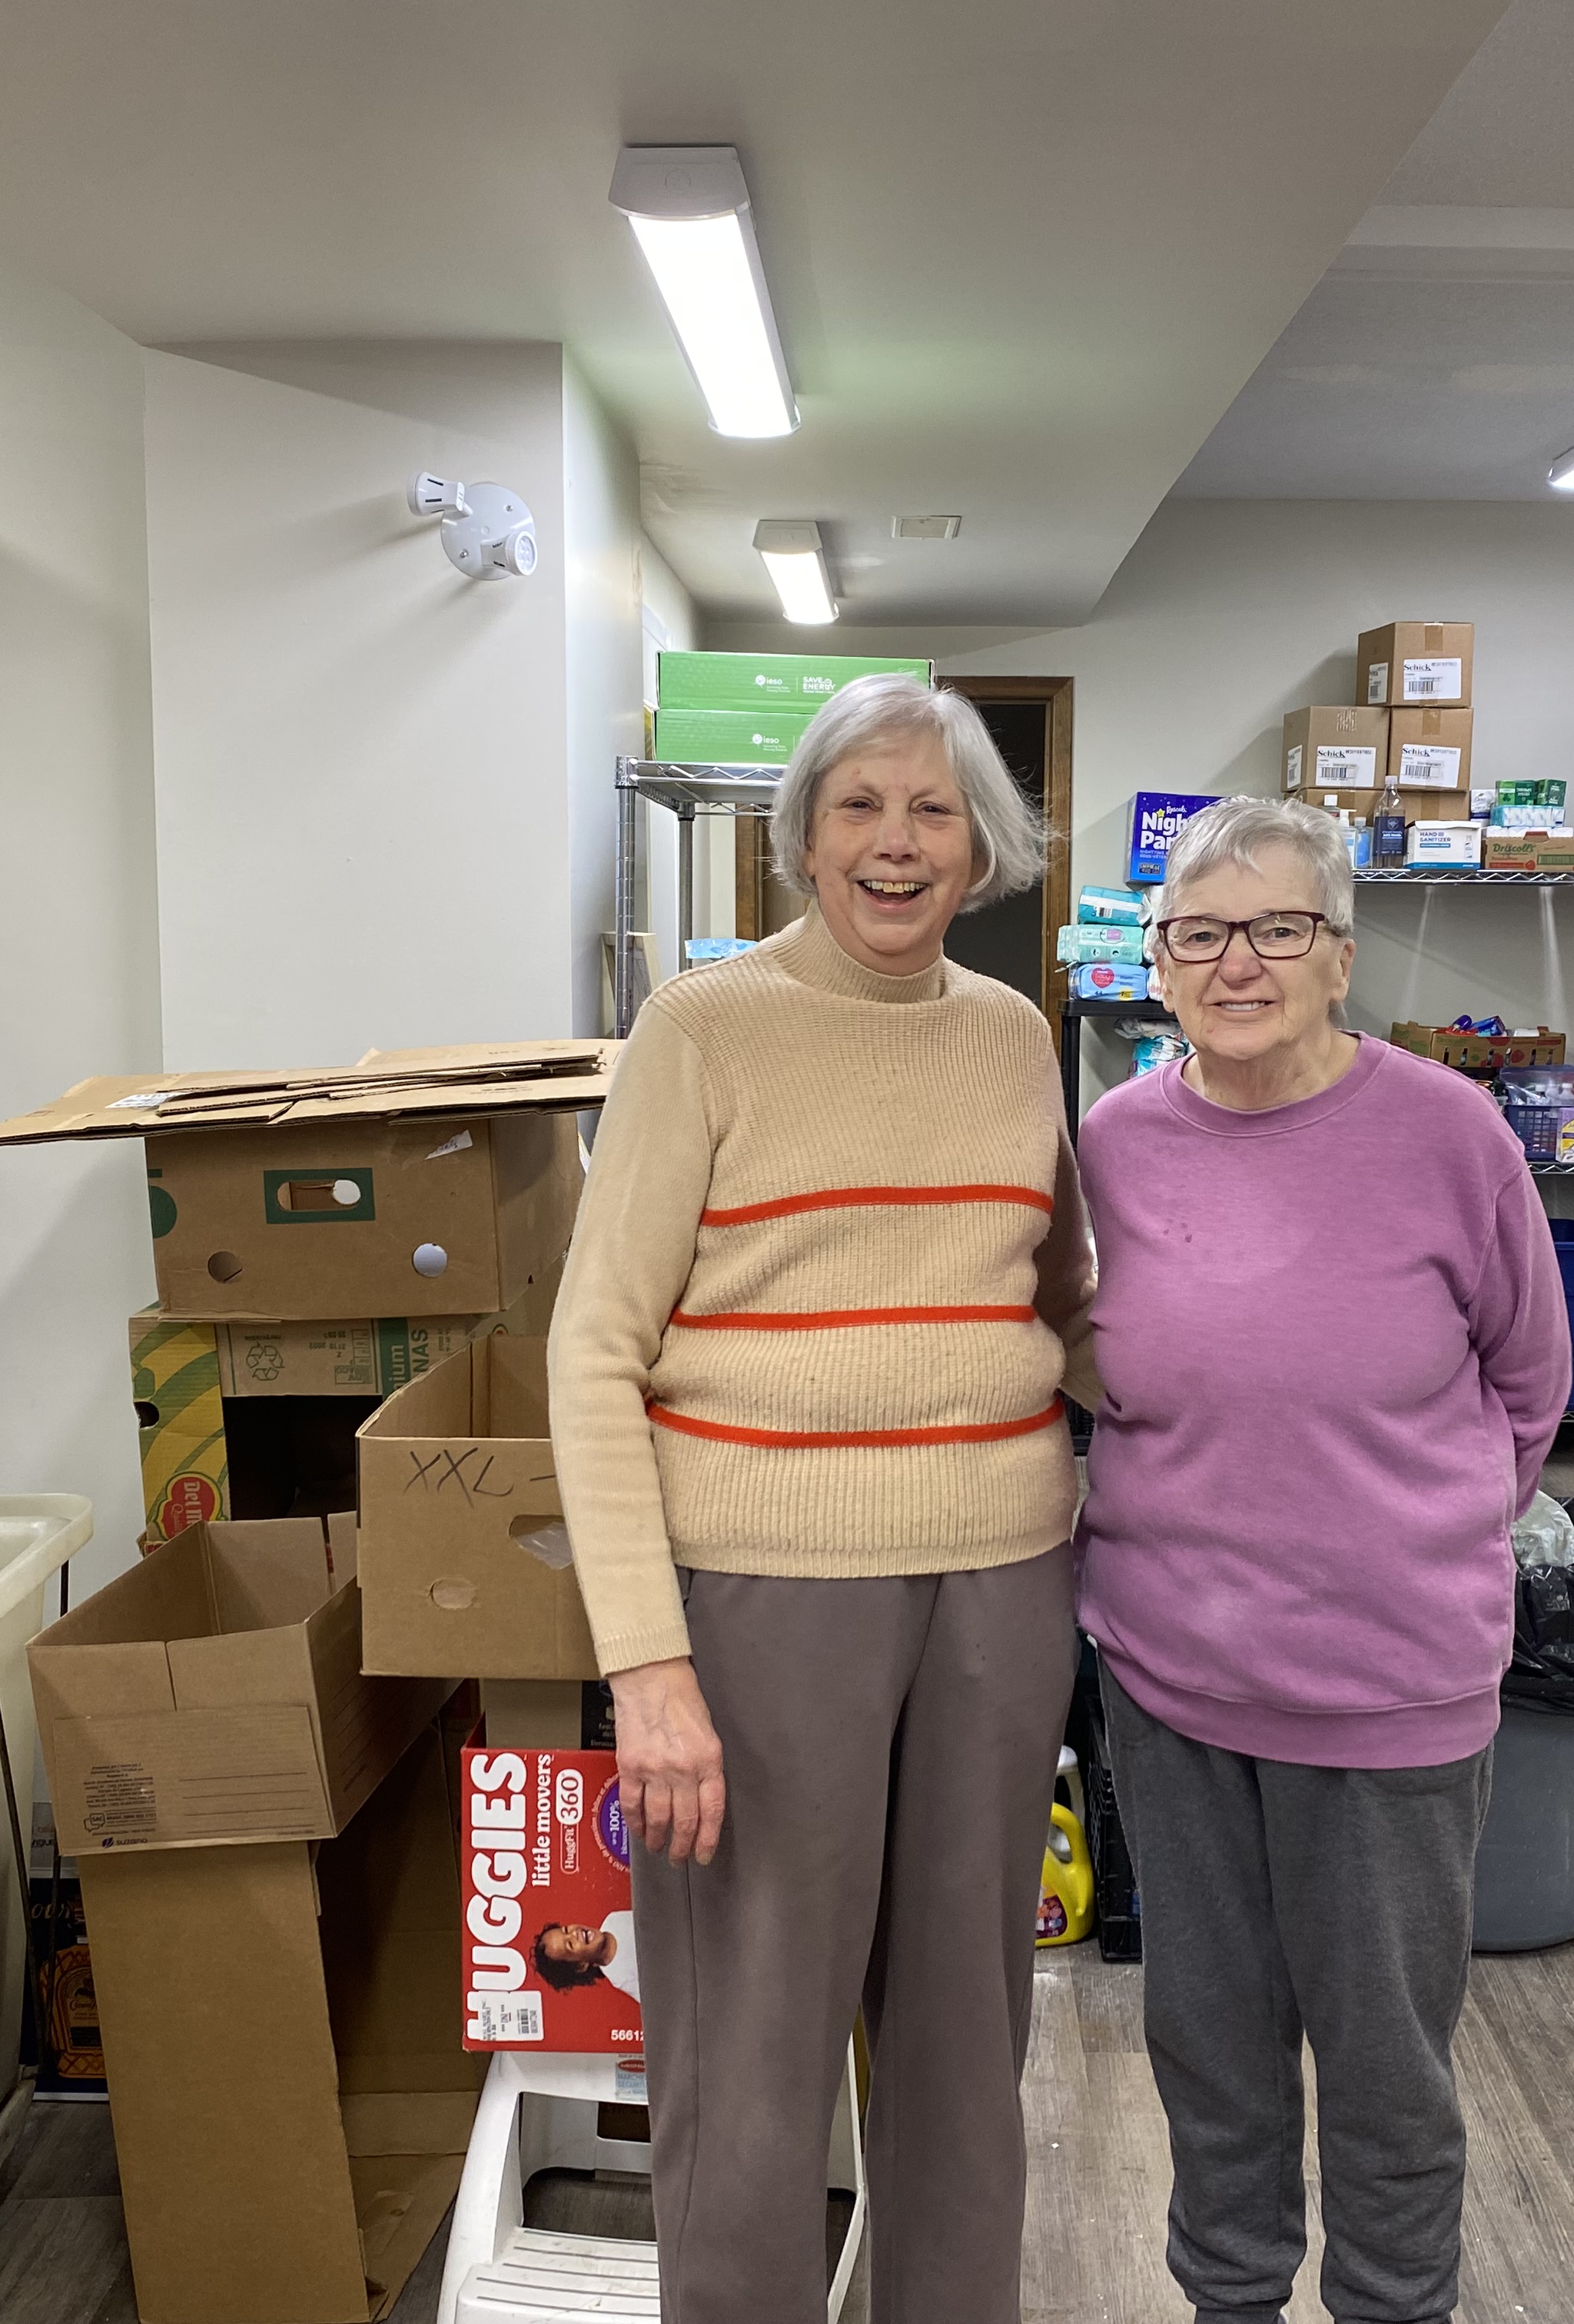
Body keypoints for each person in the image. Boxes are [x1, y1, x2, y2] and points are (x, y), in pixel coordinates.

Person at [550, 672, 1094, 2324]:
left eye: (935, 810)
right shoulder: (702, 1032)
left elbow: (1063, 1307)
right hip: (767, 1599)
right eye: (859, 805)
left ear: (983, 847)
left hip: (1002, 1589)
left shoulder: (1013, 1039)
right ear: (799, 838)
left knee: (961, 2048)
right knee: (754, 2057)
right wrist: (649, 1670)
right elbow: (592, 1357)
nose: (896, 843)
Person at [1074, 794, 1571, 2324]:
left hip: (1385, 1688)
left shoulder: (1447, 1132)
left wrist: (1402, 1542)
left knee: (1385, 2070)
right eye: (1201, 932)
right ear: (1156, 962)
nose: (1239, 962)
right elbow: (1087, 1371)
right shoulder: (1111, 1145)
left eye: (1278, 927)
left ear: (1339, 955)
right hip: (1171, 1683)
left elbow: (1530, 1380)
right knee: (1207, 2051)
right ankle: (1229, 2304)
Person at [531, 1914, 639, 2000]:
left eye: (566, 1930)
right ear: (581, 1966)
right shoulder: (622, 1977)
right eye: (570, 1945)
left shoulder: (613, 1919)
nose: (574, 1934)